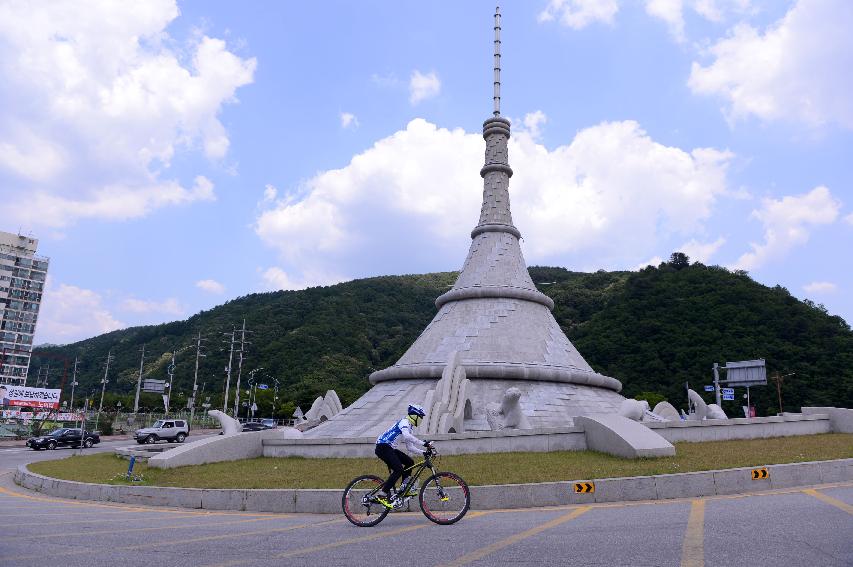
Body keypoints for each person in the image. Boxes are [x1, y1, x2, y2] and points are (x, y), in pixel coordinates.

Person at [374, 403, 432, 509]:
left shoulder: (410, 427)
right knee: (398, 469)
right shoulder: (404, 422)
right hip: (383, 446)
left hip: (390, 448)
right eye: (421, 417)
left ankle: (404, 489)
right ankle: (382, 495)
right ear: (415, 415)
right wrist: (423, 443)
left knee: (409, 462)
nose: (421, 419)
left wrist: (423, 452)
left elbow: (410, 447)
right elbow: (406, 436)